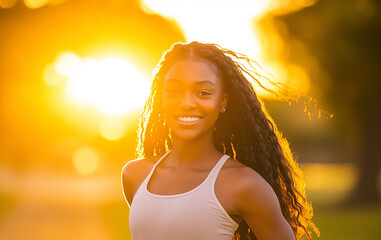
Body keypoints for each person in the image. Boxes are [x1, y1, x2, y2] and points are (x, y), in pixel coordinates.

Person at [121, 41, 318, 240]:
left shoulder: (244, 184)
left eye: (203, 93)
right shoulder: (135, 175)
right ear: (160, 98)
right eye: (174, 91)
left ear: (222, 102)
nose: (187, 103)